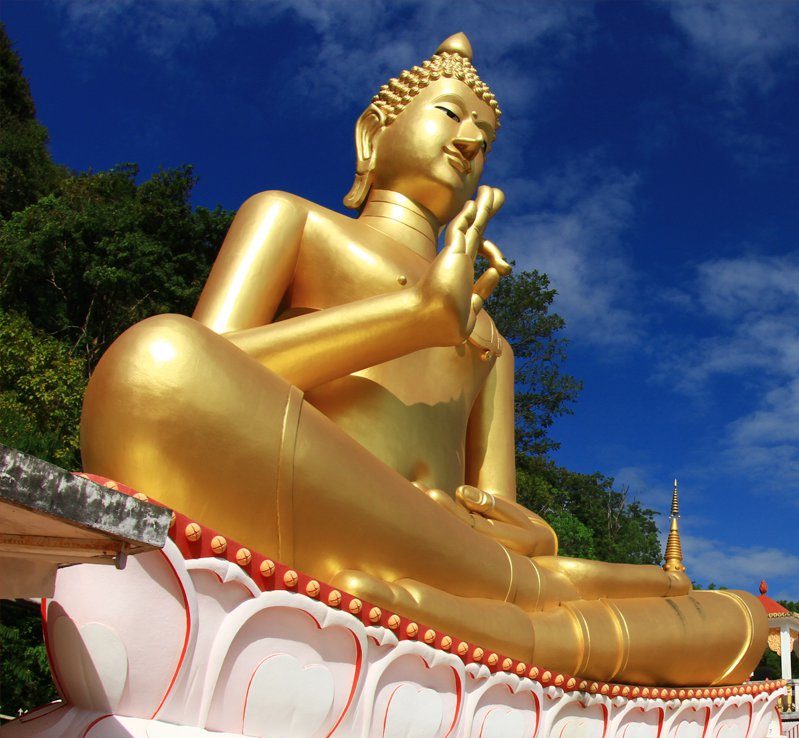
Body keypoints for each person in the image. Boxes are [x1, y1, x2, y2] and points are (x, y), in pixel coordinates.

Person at [81, 34, 764, 687]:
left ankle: (505, 632)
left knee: (738, 622)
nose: (469, 142)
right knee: (155, 366)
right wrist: (410, 319)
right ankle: (500, 627)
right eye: (448, 114)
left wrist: (536, 532)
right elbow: (210, 375)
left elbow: (493, 515)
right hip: (328, 504)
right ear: (371, 134)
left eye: (486, 141)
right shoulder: (293, 221)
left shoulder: (489, 339)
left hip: (455, 564)